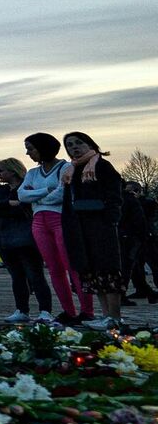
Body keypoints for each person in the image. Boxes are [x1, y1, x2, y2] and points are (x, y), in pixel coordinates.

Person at [19, 134, 90, 323]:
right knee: (54, 268)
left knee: (73, 266)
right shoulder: (33, 172)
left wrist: (36, 196)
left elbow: (61, 194)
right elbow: (21, 195)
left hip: (61, 219)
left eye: (31, 149)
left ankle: (87, 311)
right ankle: (69, 311)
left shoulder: (65, 167)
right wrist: (45, 191)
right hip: (39, 222)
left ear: (43, 148)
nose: (28, 153)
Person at [61, 131, 125, 330]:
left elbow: (114, 194)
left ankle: (115, 316)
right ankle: (105, 314)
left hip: (101, 225)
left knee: (107, 270)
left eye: (78, 143)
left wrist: (110, 219)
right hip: (80, 226)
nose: (74, 147)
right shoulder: (72, 170)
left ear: (90, 144)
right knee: (92, 271)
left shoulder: (101, 166)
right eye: (70, 145)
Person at [0, 159, 54, 322]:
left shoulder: (28, 188)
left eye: (1, 170)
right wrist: (9, 204)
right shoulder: (0, 190)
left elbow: (23, 208)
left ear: (12, 171)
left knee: (35, 275)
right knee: (16, 276)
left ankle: (45, 310)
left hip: (26, 237)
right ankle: (22, 310)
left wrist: (1, 206)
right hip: (3, 237)